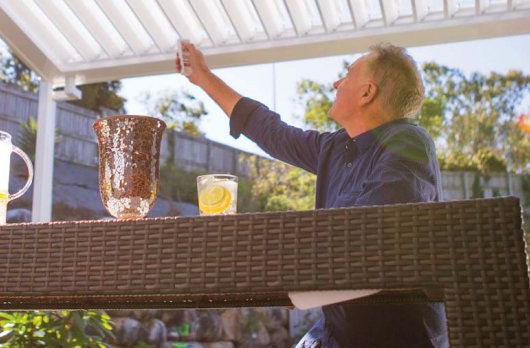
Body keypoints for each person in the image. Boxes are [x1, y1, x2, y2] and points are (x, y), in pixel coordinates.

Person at [177, 41, 447, 348]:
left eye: (348, 74)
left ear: (366, 93)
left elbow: (372, 235)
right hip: (335, 335)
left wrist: (293, 279)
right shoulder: (333, 148)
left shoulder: (408, 142)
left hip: (394, 338)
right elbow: (271, 131)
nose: (336, 82)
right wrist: (202, 76)